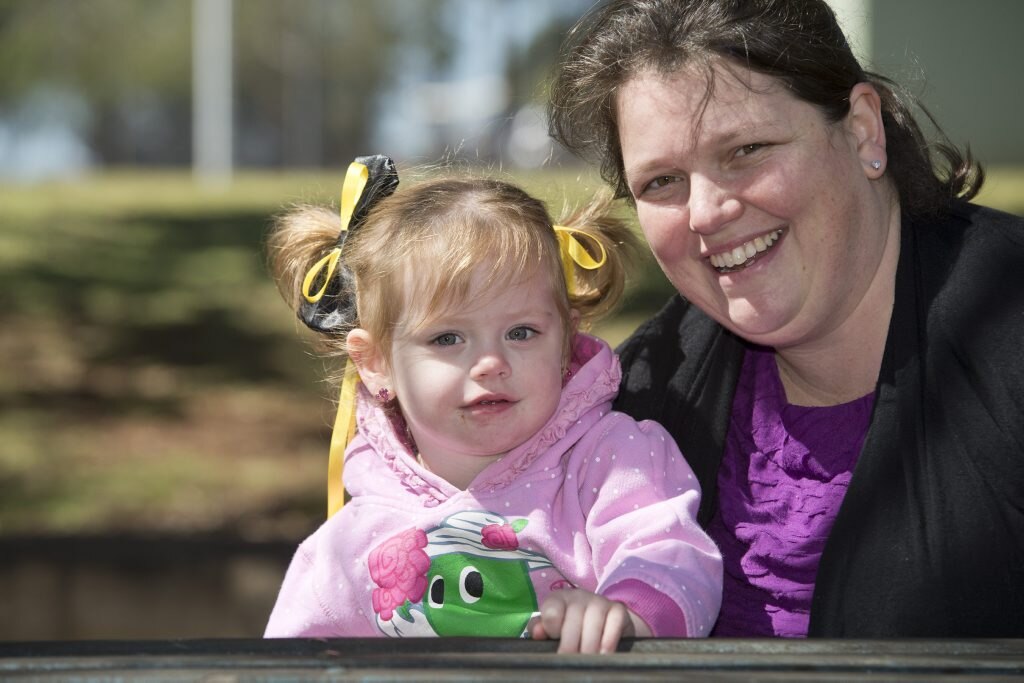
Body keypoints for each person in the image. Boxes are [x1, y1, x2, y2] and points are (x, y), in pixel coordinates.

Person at [547, 0, 1024, 637]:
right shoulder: (633, 401)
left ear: (862, 132)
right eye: (662, 182)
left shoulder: (1008, 322)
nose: (707, 212)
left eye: (746, 148)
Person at [262, 155, 723, 652]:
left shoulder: (607, 461)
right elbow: (289, 662)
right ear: (375, 363)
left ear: (566, 337)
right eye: (447, 338)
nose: (490, 363)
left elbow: (668, 550)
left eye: (520, 332)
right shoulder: (349, 544)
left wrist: (627, 614)